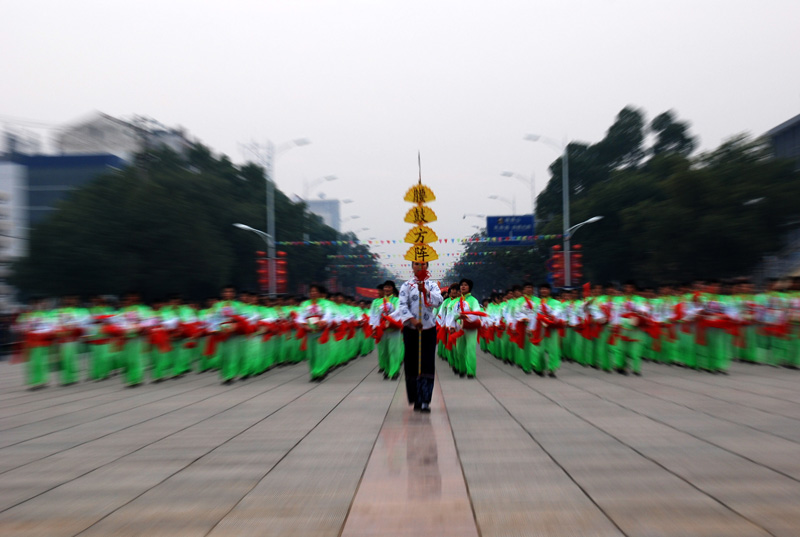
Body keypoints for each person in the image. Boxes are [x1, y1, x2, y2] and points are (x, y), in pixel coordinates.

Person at [394, 261, 443, 412]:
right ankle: (415, 398)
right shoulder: (406, 286)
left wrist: (426, 292)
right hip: (411, 328)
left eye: (423, 264)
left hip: (428, 328)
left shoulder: (433, 285)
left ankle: (425, 400)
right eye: (416, 263)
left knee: (427, 363)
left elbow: (439, 301)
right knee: (412, 363)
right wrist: (413, 320)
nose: (419, 266)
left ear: (427, 266)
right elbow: (402, 305)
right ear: (412, 266)